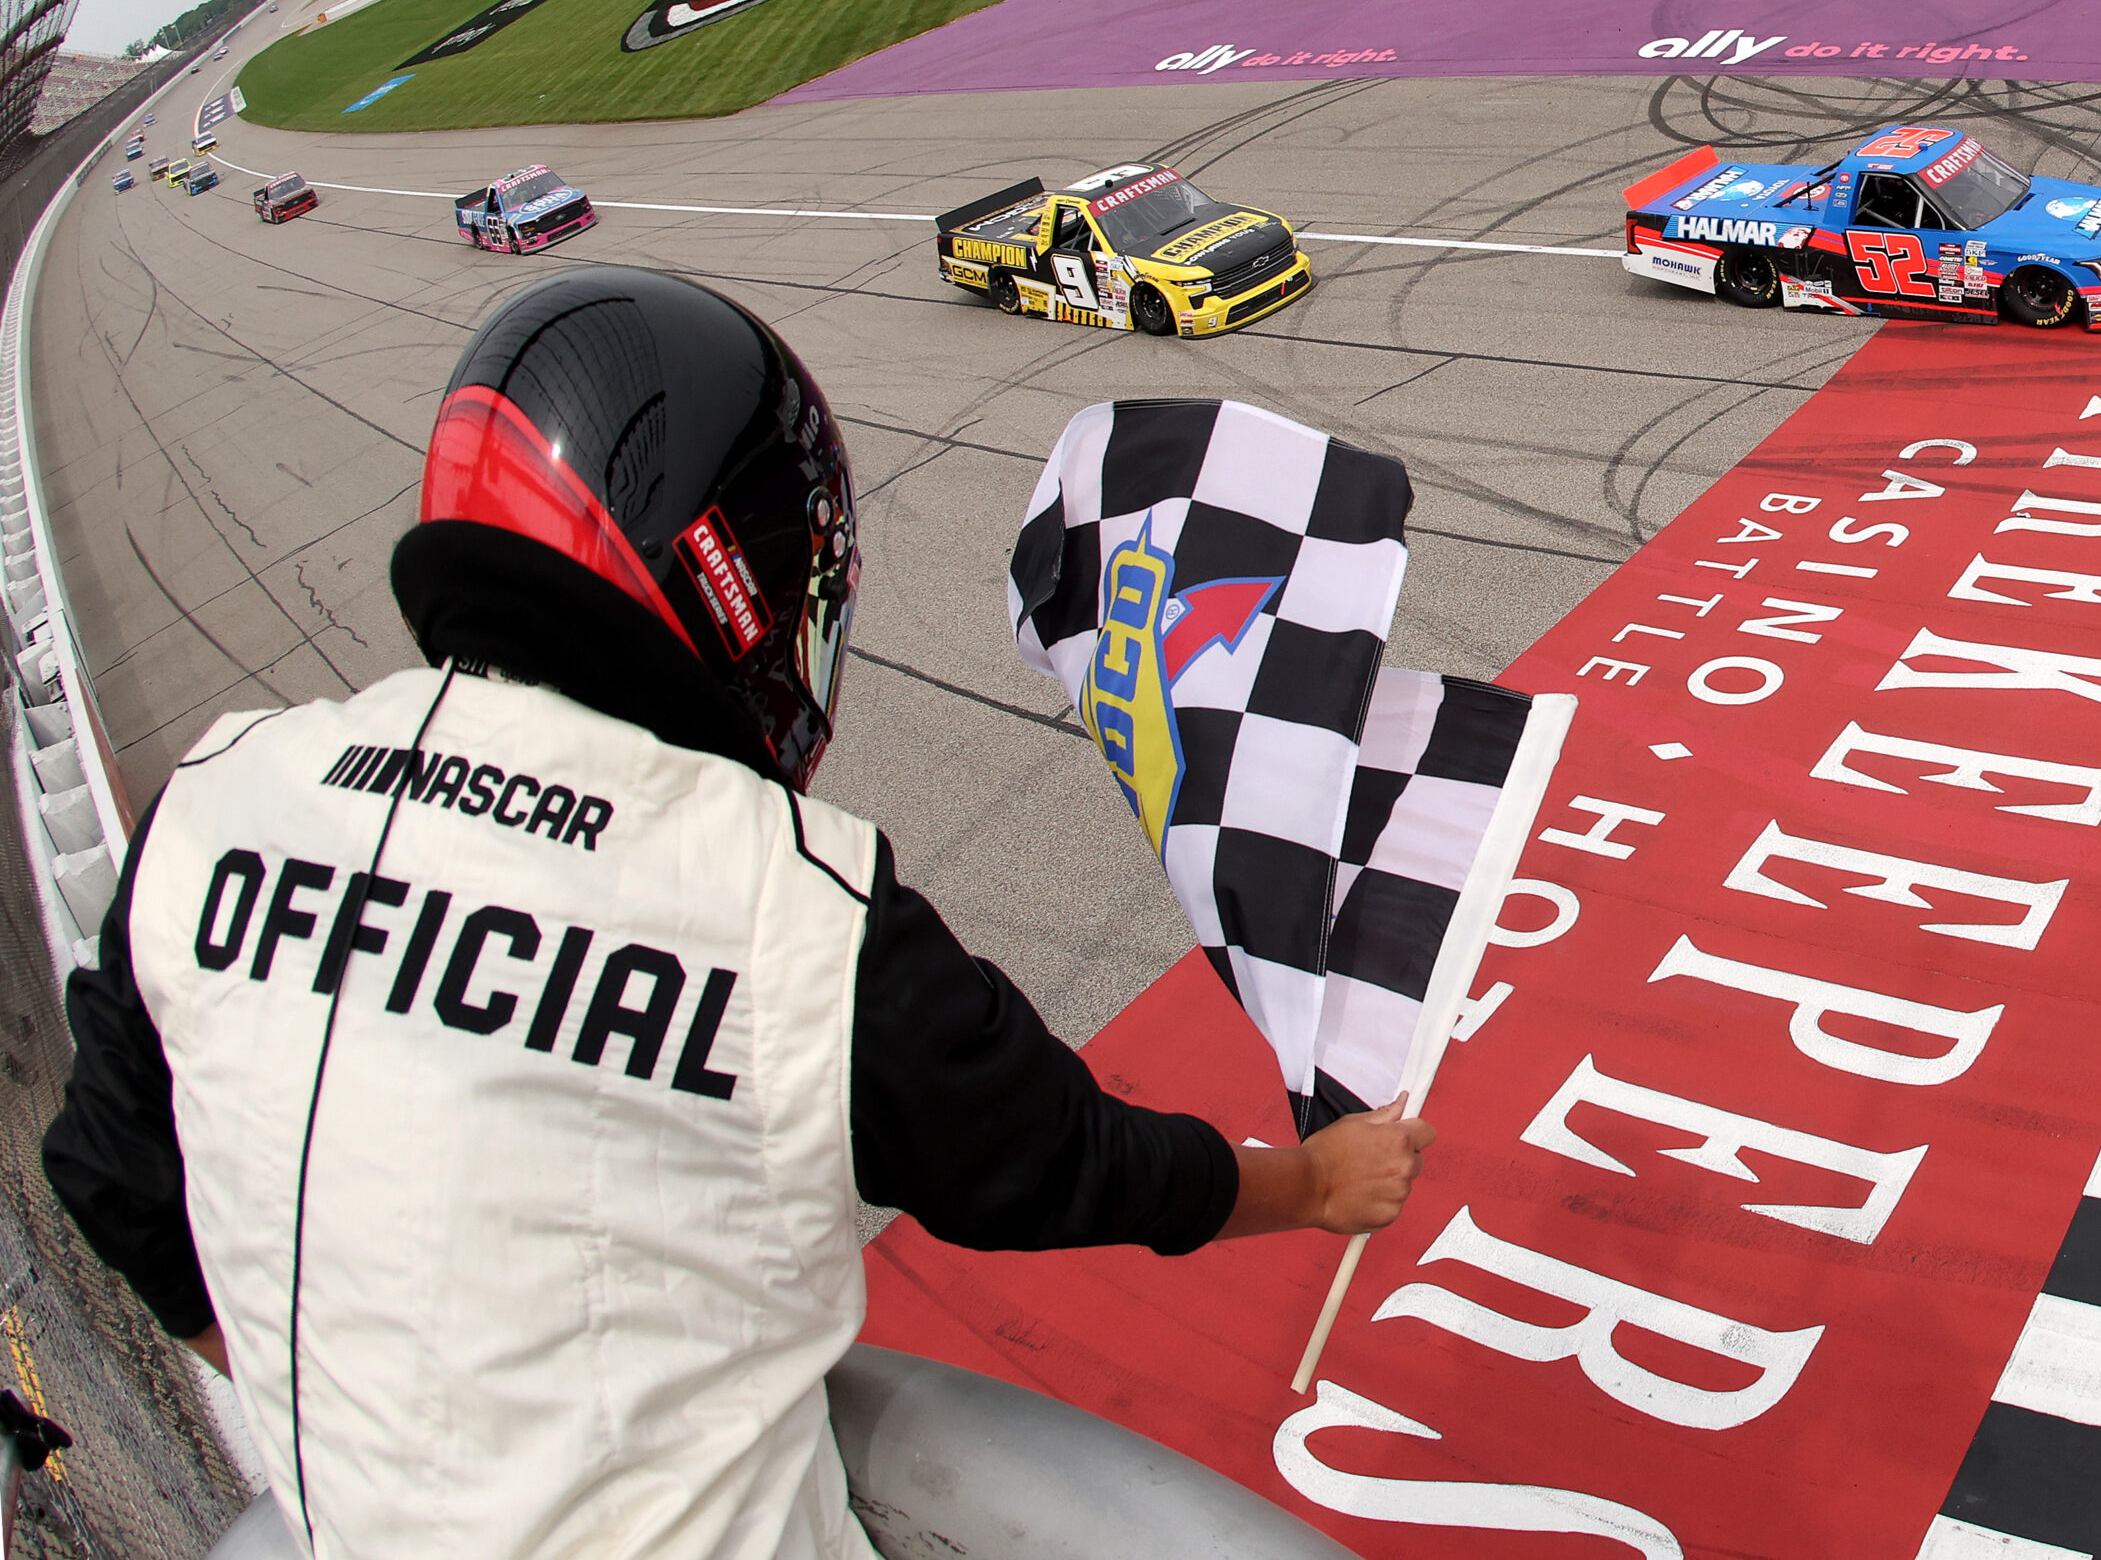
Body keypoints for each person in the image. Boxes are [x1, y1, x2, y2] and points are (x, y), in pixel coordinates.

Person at [40, 267, 1435, 1560]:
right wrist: (1313, 1186)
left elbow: (109, 1181)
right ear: (729, 578)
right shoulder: (788, 899)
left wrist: (379, 1433)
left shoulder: (215, 796)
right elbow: (1064, 1164)